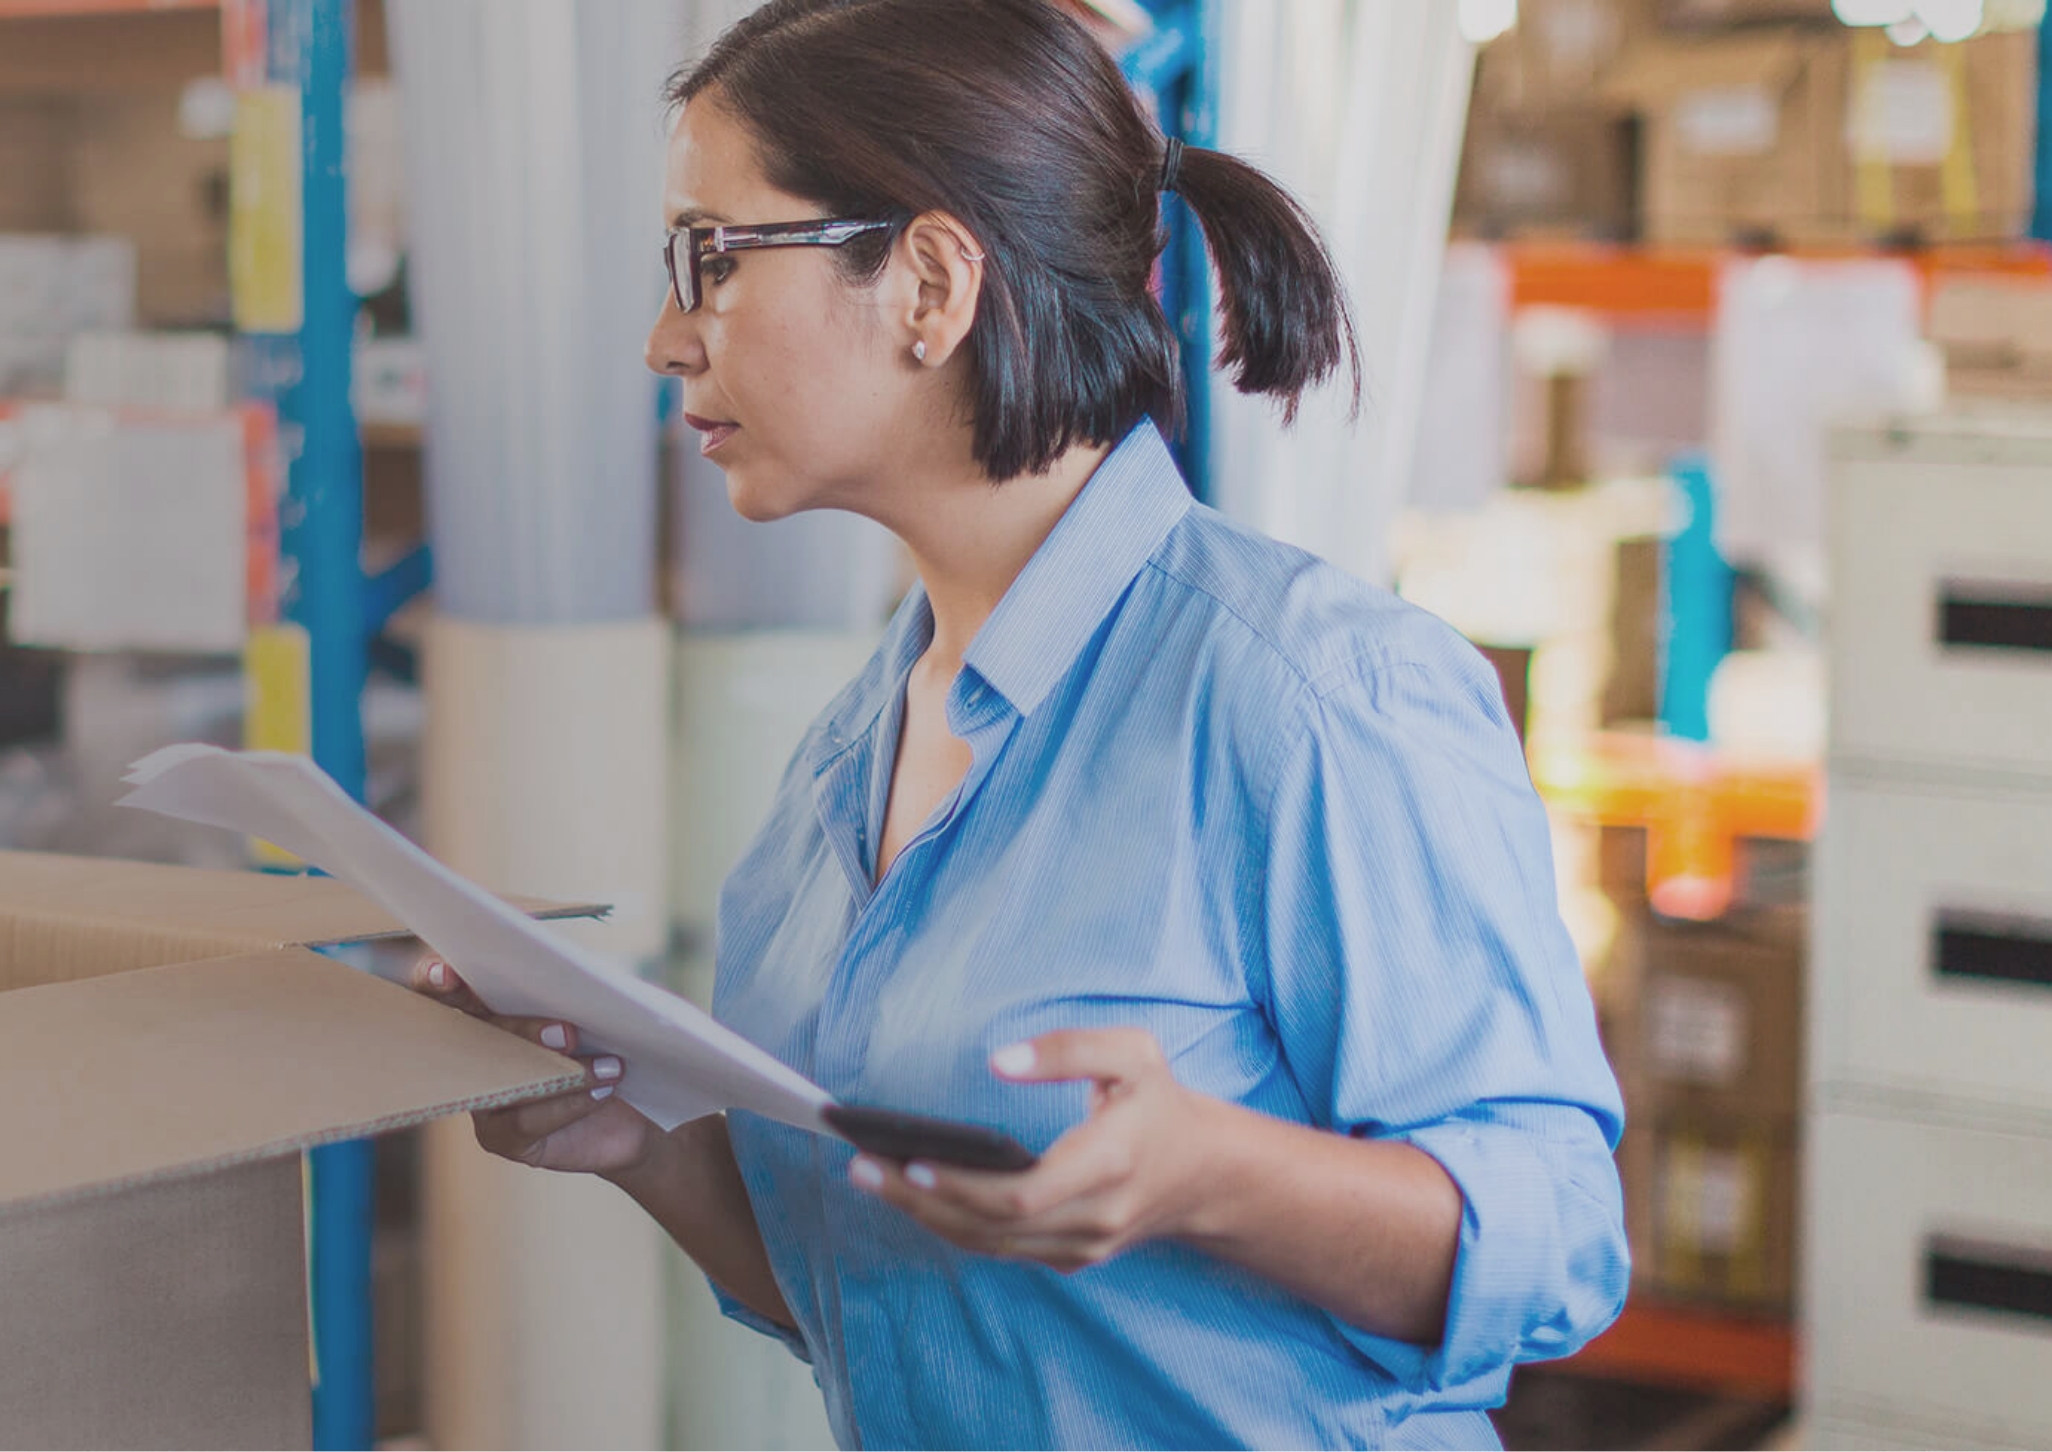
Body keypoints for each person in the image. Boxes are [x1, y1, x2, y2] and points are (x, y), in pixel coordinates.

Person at [414, 0, 1628, 1445]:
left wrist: (1211, 1177)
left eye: (715, 259)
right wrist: (634, 1142)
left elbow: (1561, 1244)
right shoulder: (853, 748)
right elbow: (890, 1298)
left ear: (930, 283)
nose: (668, 339)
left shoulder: (1311, 696)